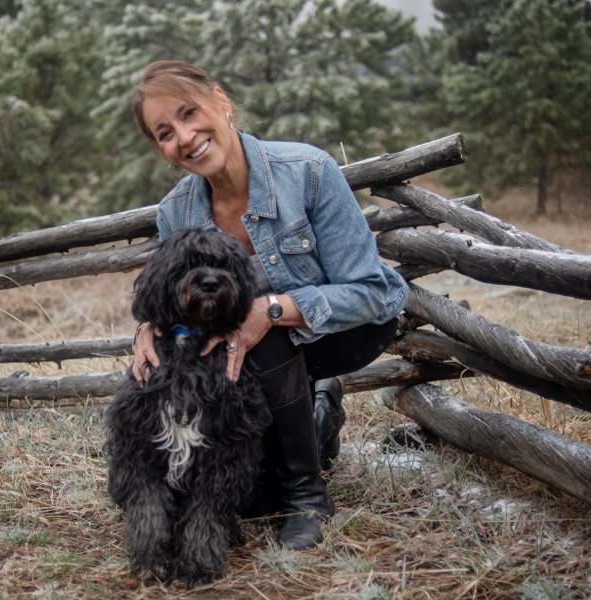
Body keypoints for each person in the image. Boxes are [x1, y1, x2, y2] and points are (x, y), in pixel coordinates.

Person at [130, 61, 408, 550]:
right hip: (255, 349)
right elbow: (175, 296)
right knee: (252, 498)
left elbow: (372, 291)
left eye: (190, 112)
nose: (186, 136)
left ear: (222, 101)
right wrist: (147, 329)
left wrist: (274, 308)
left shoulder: (308, 171)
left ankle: (306, 497)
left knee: (257, 322)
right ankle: (318, 416)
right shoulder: (177, 211)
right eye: (165, 132)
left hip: (349, 330)